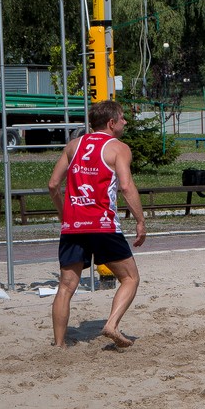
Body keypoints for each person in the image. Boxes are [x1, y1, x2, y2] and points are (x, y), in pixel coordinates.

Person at [47, 100, 146, 348]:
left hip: (73, 225)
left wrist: (63, 213)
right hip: (102, 224)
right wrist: (140, 221)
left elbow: (53, 184)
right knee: (130, 278)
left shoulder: (74, 145)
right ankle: (111, 324)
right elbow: (126, 186)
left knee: (66, 286)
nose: (125, 122)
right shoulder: (119, 148)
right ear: (111, 123)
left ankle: (59, 344)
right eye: (122, 118)